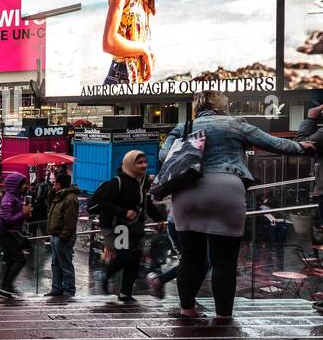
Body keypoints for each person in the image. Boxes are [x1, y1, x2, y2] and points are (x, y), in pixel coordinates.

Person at [162, 90, 309, 321]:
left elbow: (164, 155)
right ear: (219, 103)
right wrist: (303, 147)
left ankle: (187, 311)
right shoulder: (235, 124)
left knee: (191, 258)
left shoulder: (184, 127)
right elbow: (275, 144)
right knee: (224, 260)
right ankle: (222, 317)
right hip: (226, 189)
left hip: (187, 192)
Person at [93, 150, 166, 303]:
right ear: (130, 164)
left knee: (134, 260)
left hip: (136, 226)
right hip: (119, 225)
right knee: (126, 255)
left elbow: (147, 204)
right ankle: (105, 275)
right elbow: (105, 204)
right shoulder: (118, 182)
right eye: (139, 163)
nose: (144, 165)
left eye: (145, 162)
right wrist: (124, 212)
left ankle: (126, 292)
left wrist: (160, 219)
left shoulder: (144, 181)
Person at [0, 173, 32, 300]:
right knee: (19, 259)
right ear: (16, 185)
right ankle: (6, 286)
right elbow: (7, 219)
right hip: (6, 234)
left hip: (10, 233)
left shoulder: (15, 197)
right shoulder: (8, 199)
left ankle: (6, 287)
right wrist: (23, 213)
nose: (25, 186)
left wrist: (25, 214)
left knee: (12, 261)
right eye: (23, 184)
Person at [46, 169, 80, 300]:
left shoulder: (70, 199)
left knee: (65, 264)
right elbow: (48, 202)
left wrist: (64, 236)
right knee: (56, 264)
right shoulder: (59, 195)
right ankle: (56, 288)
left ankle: (69, 290)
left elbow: (70, 220)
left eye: (55, 183)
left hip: (62, 237)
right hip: (55, 235)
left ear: (60, 184)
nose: (53, 186)